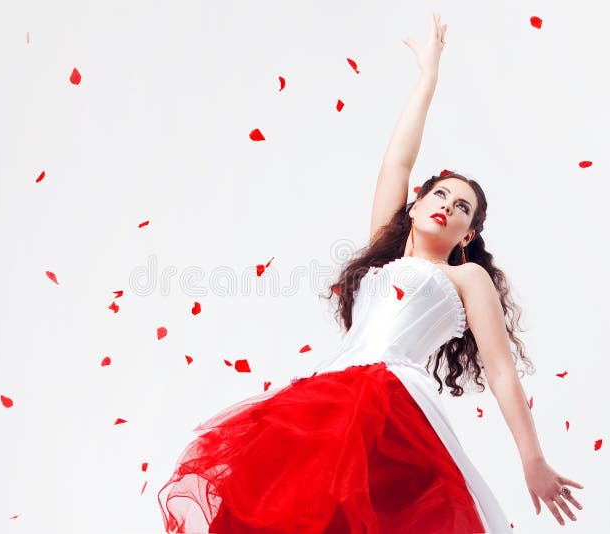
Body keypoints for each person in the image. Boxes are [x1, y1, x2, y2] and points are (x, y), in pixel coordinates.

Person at [157, 12, 584, 533]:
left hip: (391, 405)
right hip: (327, 396)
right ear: (419, 203)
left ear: (467, 236)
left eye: (463, 209)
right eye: (440, 194)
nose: (447, 206)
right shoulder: (386, 257)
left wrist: (531, 460)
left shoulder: (464, 279)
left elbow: (500, 372)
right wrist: (428, 76)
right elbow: (396, 166)